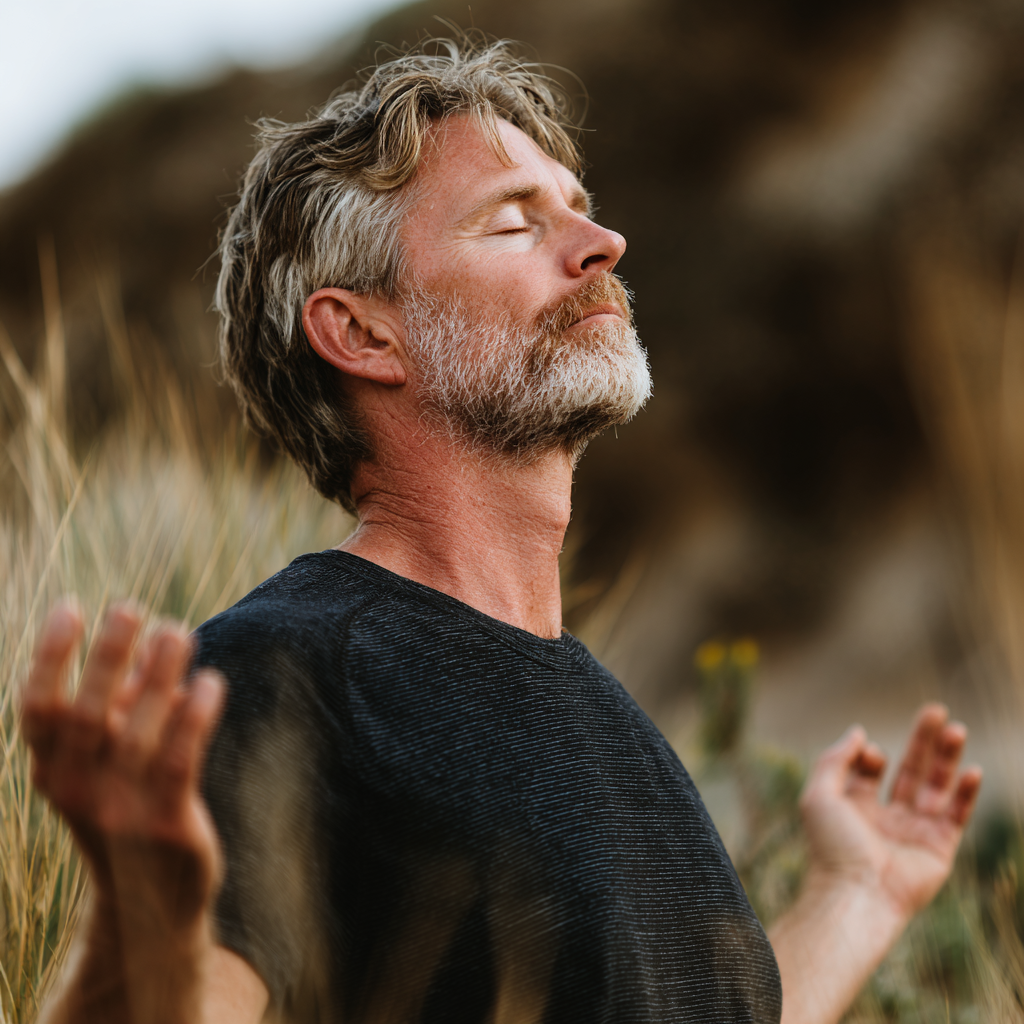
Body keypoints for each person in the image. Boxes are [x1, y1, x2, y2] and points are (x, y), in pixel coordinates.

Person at [23, 36, 982, 1024]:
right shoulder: (282, 678)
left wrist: (856, 895)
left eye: (577, 206)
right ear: (360, 333)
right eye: (515, 222)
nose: (597, 243)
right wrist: (142, 933)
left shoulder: (618, 731)